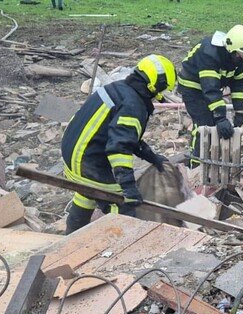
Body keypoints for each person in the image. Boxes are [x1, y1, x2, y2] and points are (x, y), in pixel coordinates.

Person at [61, 54, 176, 234]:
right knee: (120, 202)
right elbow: (119, 148)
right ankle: (119, 244)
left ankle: (71, 234)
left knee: (87, 193)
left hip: (73, 152)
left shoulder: (119, 88)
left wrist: (152, 157)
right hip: (87, 161)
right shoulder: (133, 105)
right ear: (156, 85)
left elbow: (125, 137)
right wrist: (128, 188)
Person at [178, 24, 243, 166]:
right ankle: (195, 164)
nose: (242, 57)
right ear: (230, 49)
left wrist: (240, 112)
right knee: (203, 123)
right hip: (192, 86)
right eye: (239, 54)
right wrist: (220, 117)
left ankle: (211, 158)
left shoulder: (238, 60)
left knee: (214, 124)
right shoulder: (210, 54)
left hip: (210, 86)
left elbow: (238, 86)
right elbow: (210, 88)